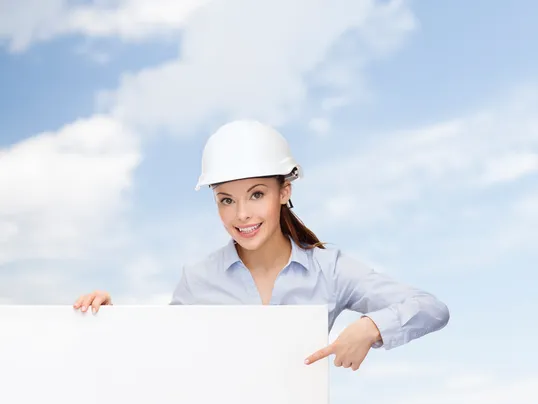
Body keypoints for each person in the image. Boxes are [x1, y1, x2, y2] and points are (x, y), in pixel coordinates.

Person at [73, 119, 449, 371]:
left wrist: (371, 328)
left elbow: (430, 308)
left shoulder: (329, 270)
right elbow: (162, 353)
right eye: (226, 199)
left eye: (256, 194)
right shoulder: (199, 279)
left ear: (284, 191)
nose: (241, 215)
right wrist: (111, 319)